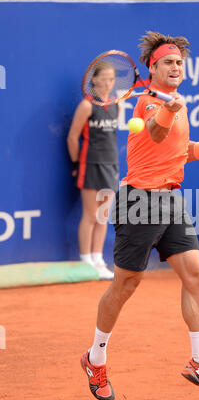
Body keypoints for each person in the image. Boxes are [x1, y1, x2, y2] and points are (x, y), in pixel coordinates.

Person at [80, 31, 199, 400]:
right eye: (167, 62)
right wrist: (169, 109)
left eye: (179, 62)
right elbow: (157, 133)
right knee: (126, 285)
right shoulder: (146, 102)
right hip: (139, 202)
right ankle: (95, 357)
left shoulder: (176, 103)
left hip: (172, 200)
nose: (175, 67)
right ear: (153, 68)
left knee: (196, 274)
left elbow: (178, 151)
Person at [67, 61, 119, 280]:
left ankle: (98, 260)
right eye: (104, 78)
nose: (108, 83)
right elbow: (72, 137)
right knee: (90, 215)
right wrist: (76, 164)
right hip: (90, 165)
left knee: (103, 216)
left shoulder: (117, 105)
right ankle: (85, 260)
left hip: (111, 165)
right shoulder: (87, 106)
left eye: (112, 79)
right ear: (94, 80)